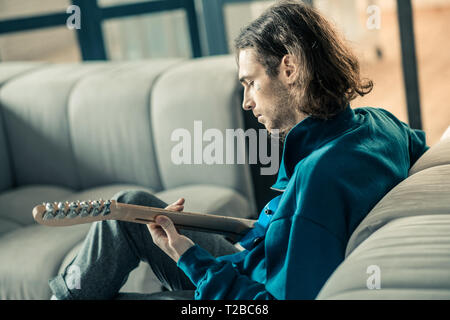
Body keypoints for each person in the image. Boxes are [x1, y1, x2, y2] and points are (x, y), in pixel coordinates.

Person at [49, 0, 429, 300]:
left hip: (240, 287)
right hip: (250, 261)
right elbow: (423, 150)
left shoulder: (318, 177)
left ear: (290, 68)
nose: (246, 102)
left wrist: (188, 256)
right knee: (127, 207)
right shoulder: (379, 123)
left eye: (251, 83)